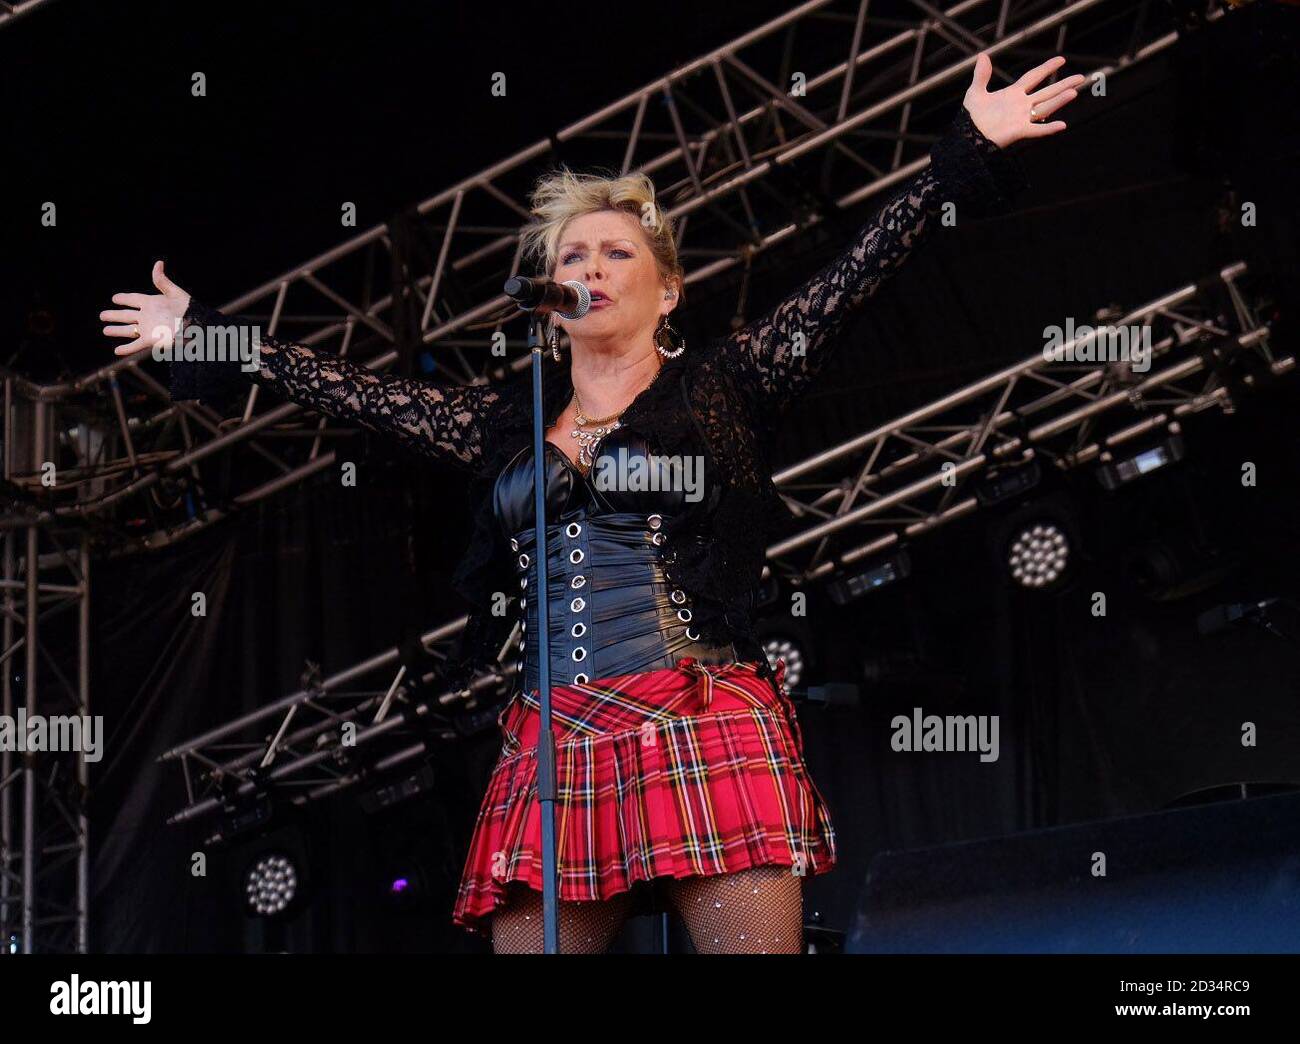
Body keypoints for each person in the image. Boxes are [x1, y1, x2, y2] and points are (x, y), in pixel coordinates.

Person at [103, 53, 1083, 953]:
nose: (591, 271)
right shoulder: (498, 427)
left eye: (618, 254)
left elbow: (856, 274)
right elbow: (342, 387)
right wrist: (210, 335)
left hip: (700, 716)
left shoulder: (727, 384)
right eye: (572, 258)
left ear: (668, 293)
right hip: (555, 739)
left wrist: (957, 157)